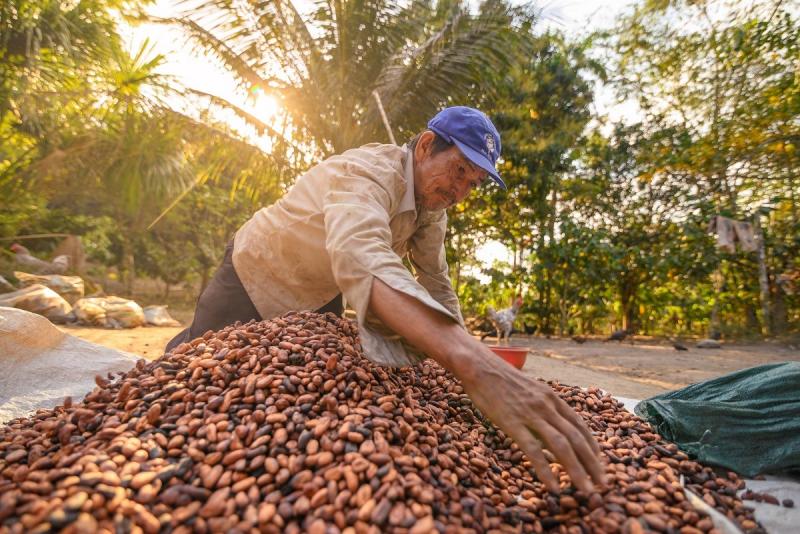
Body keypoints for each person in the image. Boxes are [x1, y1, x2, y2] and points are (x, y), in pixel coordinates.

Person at [167, 106, 606, 493]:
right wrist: (472, 363)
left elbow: (436, 279)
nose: (460, 192)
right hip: (260, 270)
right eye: (458, 172)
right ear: (428, 145)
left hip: (320, 291)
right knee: (196, 368)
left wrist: (469, 352)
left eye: (472, 184)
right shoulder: (367, 171)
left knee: (295, 383)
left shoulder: (433, 206)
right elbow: (362, 254)